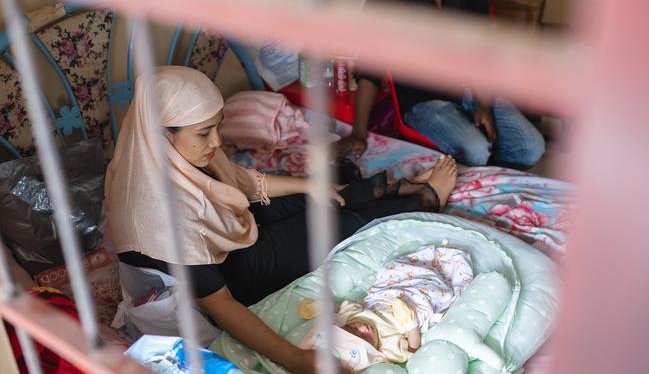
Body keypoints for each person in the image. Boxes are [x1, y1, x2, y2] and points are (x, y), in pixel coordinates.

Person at [103, 66, 458, 374]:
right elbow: (223, 306)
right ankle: (424, 200)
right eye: (203, 133)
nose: (217, 141)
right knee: (328, 226)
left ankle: (391, 189)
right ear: (161, 134)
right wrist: (296, 360)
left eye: (218, 127)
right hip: (222, 281)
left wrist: (310, 185)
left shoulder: (170, 158)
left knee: (315, 197)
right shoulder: (162, 215)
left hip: (222, 231)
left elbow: (240, 182)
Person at [334, 0, 545, 169]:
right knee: (476, 150)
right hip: (423, 101)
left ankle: (479, 158)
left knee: (532, 148)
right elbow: (369, 69)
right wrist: (359, 133)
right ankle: (475, 157)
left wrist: (484, 104)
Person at [298, 245, 473, 369]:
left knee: (390, 271)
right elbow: (413, 349)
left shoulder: (350, 318)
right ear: (371, 350)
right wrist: (410, 324)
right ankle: (437, 279)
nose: (362, 327)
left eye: (352, 327)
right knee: (433, 296)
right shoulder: (387, 348)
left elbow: (343, 307)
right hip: (410, 311)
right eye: (363, 337)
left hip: (388, 293)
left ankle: (428, 266)